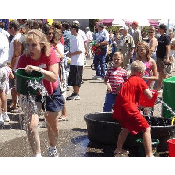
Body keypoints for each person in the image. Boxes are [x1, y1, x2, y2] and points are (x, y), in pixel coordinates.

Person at [16, 29, 65, 157]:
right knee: (31, 126)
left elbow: (54, 76)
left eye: (34, 45)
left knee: (52, 126)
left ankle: (53, 147)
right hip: (33, 94)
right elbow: (18, 78)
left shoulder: (50, 54)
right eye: (28, 45)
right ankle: (38, 156)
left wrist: (38, 70)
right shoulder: (23, 59)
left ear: (42, 45)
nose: (30, 48)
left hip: (51, 92)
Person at [112, 60, 154, 157]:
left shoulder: (127, 81)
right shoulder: (140, 80)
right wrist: (153, 92)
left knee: (125, 128)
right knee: (147, 128)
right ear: (141, 73)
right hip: (129, 108)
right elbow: (149, 96)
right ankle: (149, 154)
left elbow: (118, 90)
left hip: (119, 108)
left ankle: (118, 149)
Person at [7, 20, 24, 112]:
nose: (8, 29)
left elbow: (16, 54)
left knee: (15, 86)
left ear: (13, 28)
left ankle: (15, 104)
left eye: (9, 27)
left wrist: (11, 67)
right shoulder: (17, 37)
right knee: (15, 86)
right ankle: (15, 103)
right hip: (16, 66)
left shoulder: (17, 39)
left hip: (16, 67)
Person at [66, 22, 85, 100]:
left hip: (78, 61)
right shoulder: (73, 37)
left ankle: (77, 93)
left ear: (74, 29)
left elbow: (80, 50)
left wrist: (71, 54)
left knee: (77, 78)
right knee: (73, 78)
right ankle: (74, 92)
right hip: (73, 61)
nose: (70, 30)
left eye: (71, 29)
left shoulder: (78, 38)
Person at [0, 32, 13, 125]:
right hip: (4, 67)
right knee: (2, 93)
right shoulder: (4, 36)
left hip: (1, 67)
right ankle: (4, 113)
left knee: (1, 93)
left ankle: (1, 115)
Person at [156, 24, 171, 92]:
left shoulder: (166, 37)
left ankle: (165, 87)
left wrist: (167, 57)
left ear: (163, 29)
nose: (159, 30)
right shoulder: (160, 37)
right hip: (159, 57)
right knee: (160, 73)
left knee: (164, 74)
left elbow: (168, 47)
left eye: (160, 29)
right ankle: (160, 87)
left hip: (163, 58)